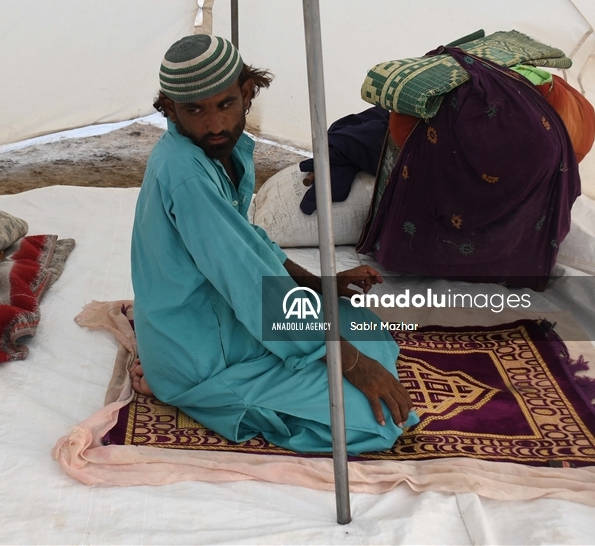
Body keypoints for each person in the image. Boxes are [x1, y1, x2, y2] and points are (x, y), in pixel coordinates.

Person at [130, 34, 415, 455]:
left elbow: (248, 241)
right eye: (195, 110)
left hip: (222, 320)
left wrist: (317, 284)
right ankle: (191, 391)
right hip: (203, 355)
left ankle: (220, 375)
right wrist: (351, 364)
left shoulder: (214, 152)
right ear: (170, 109)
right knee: (379, 425)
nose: (215, 125)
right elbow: (248, 282)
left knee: (366, 327)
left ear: (247, 93)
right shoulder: (187, 175)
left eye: (225, 104)